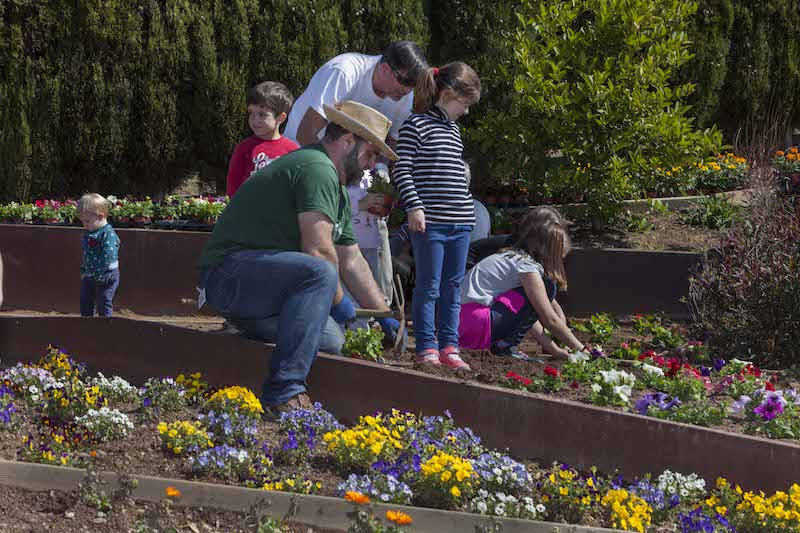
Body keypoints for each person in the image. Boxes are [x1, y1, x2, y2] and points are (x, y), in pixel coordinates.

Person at [198, 100, 406, 417]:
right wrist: (339, 304)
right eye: (370, 154)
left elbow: (351, 259)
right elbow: (320, 252)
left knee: (333, 341)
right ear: (348, 141)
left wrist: (385, 315)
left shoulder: (333, 187)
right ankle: (284, 392)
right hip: (230, 275)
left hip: (257, 287)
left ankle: (245, 329)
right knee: (319, 272)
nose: (369, 165)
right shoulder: (316, 168)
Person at [394, 62, 481, 370]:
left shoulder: (454, 130)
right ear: (447, 93)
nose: (466, 111)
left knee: (452, 286)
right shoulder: (415, 125)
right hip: (430, 223)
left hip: (460, 221)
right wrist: (414, 206)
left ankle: (449, 345)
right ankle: (427, 346)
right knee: (429, 286)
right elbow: (401, 169)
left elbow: (455, 173)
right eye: (464, 104)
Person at [459, 208, 587, 360]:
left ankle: (504, 345)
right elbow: (549, 318)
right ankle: (504, 347)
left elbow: (526, 319)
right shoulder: (527, 267)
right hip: (479, 323)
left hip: (464, 323)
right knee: (548, 287)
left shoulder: (512, 256)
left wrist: (555, 349)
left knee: (542, 292)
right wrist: (582, 349)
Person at [283, 41, 428, 153]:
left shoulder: (404, 96)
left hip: (341, 168)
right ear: (385, 69)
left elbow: (392, 141)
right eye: (405, 82)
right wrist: (330, 171)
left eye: (414, 84)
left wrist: (380, 170)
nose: (408, 90)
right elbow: (305, 132)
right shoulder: (345, 72)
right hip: (296, 152)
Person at [226, 81, 299, 197]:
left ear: (280, 118)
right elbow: (233, 186)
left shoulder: (292, 150)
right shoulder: (244, 148)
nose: (254, 120)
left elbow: (297, 186)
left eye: (262, 114)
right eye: (251, 113)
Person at [78, 193, 121, 317]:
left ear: (100, 216)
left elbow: (108, 254)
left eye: (87, 221)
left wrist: (98, 272)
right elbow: (87, 253)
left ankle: (104, 327)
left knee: (104, 300)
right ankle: (86, 325)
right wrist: (84, 269)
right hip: (90, 274)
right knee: (85, 300)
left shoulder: (108, 233)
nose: (84, 225)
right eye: (82, 221)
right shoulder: (89, 233)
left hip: (107, 274)